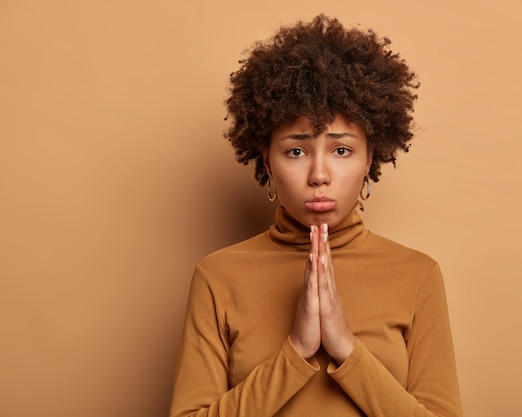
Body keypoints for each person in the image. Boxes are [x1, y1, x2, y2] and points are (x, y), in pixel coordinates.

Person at [169, 14, 462, 417]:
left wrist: (346, 349)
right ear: (268, 163)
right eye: (296, 150)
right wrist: (297, 352)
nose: (319, 175)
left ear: (369, 159)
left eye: (341, 150)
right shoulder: (218, 277)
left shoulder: (417, 274)